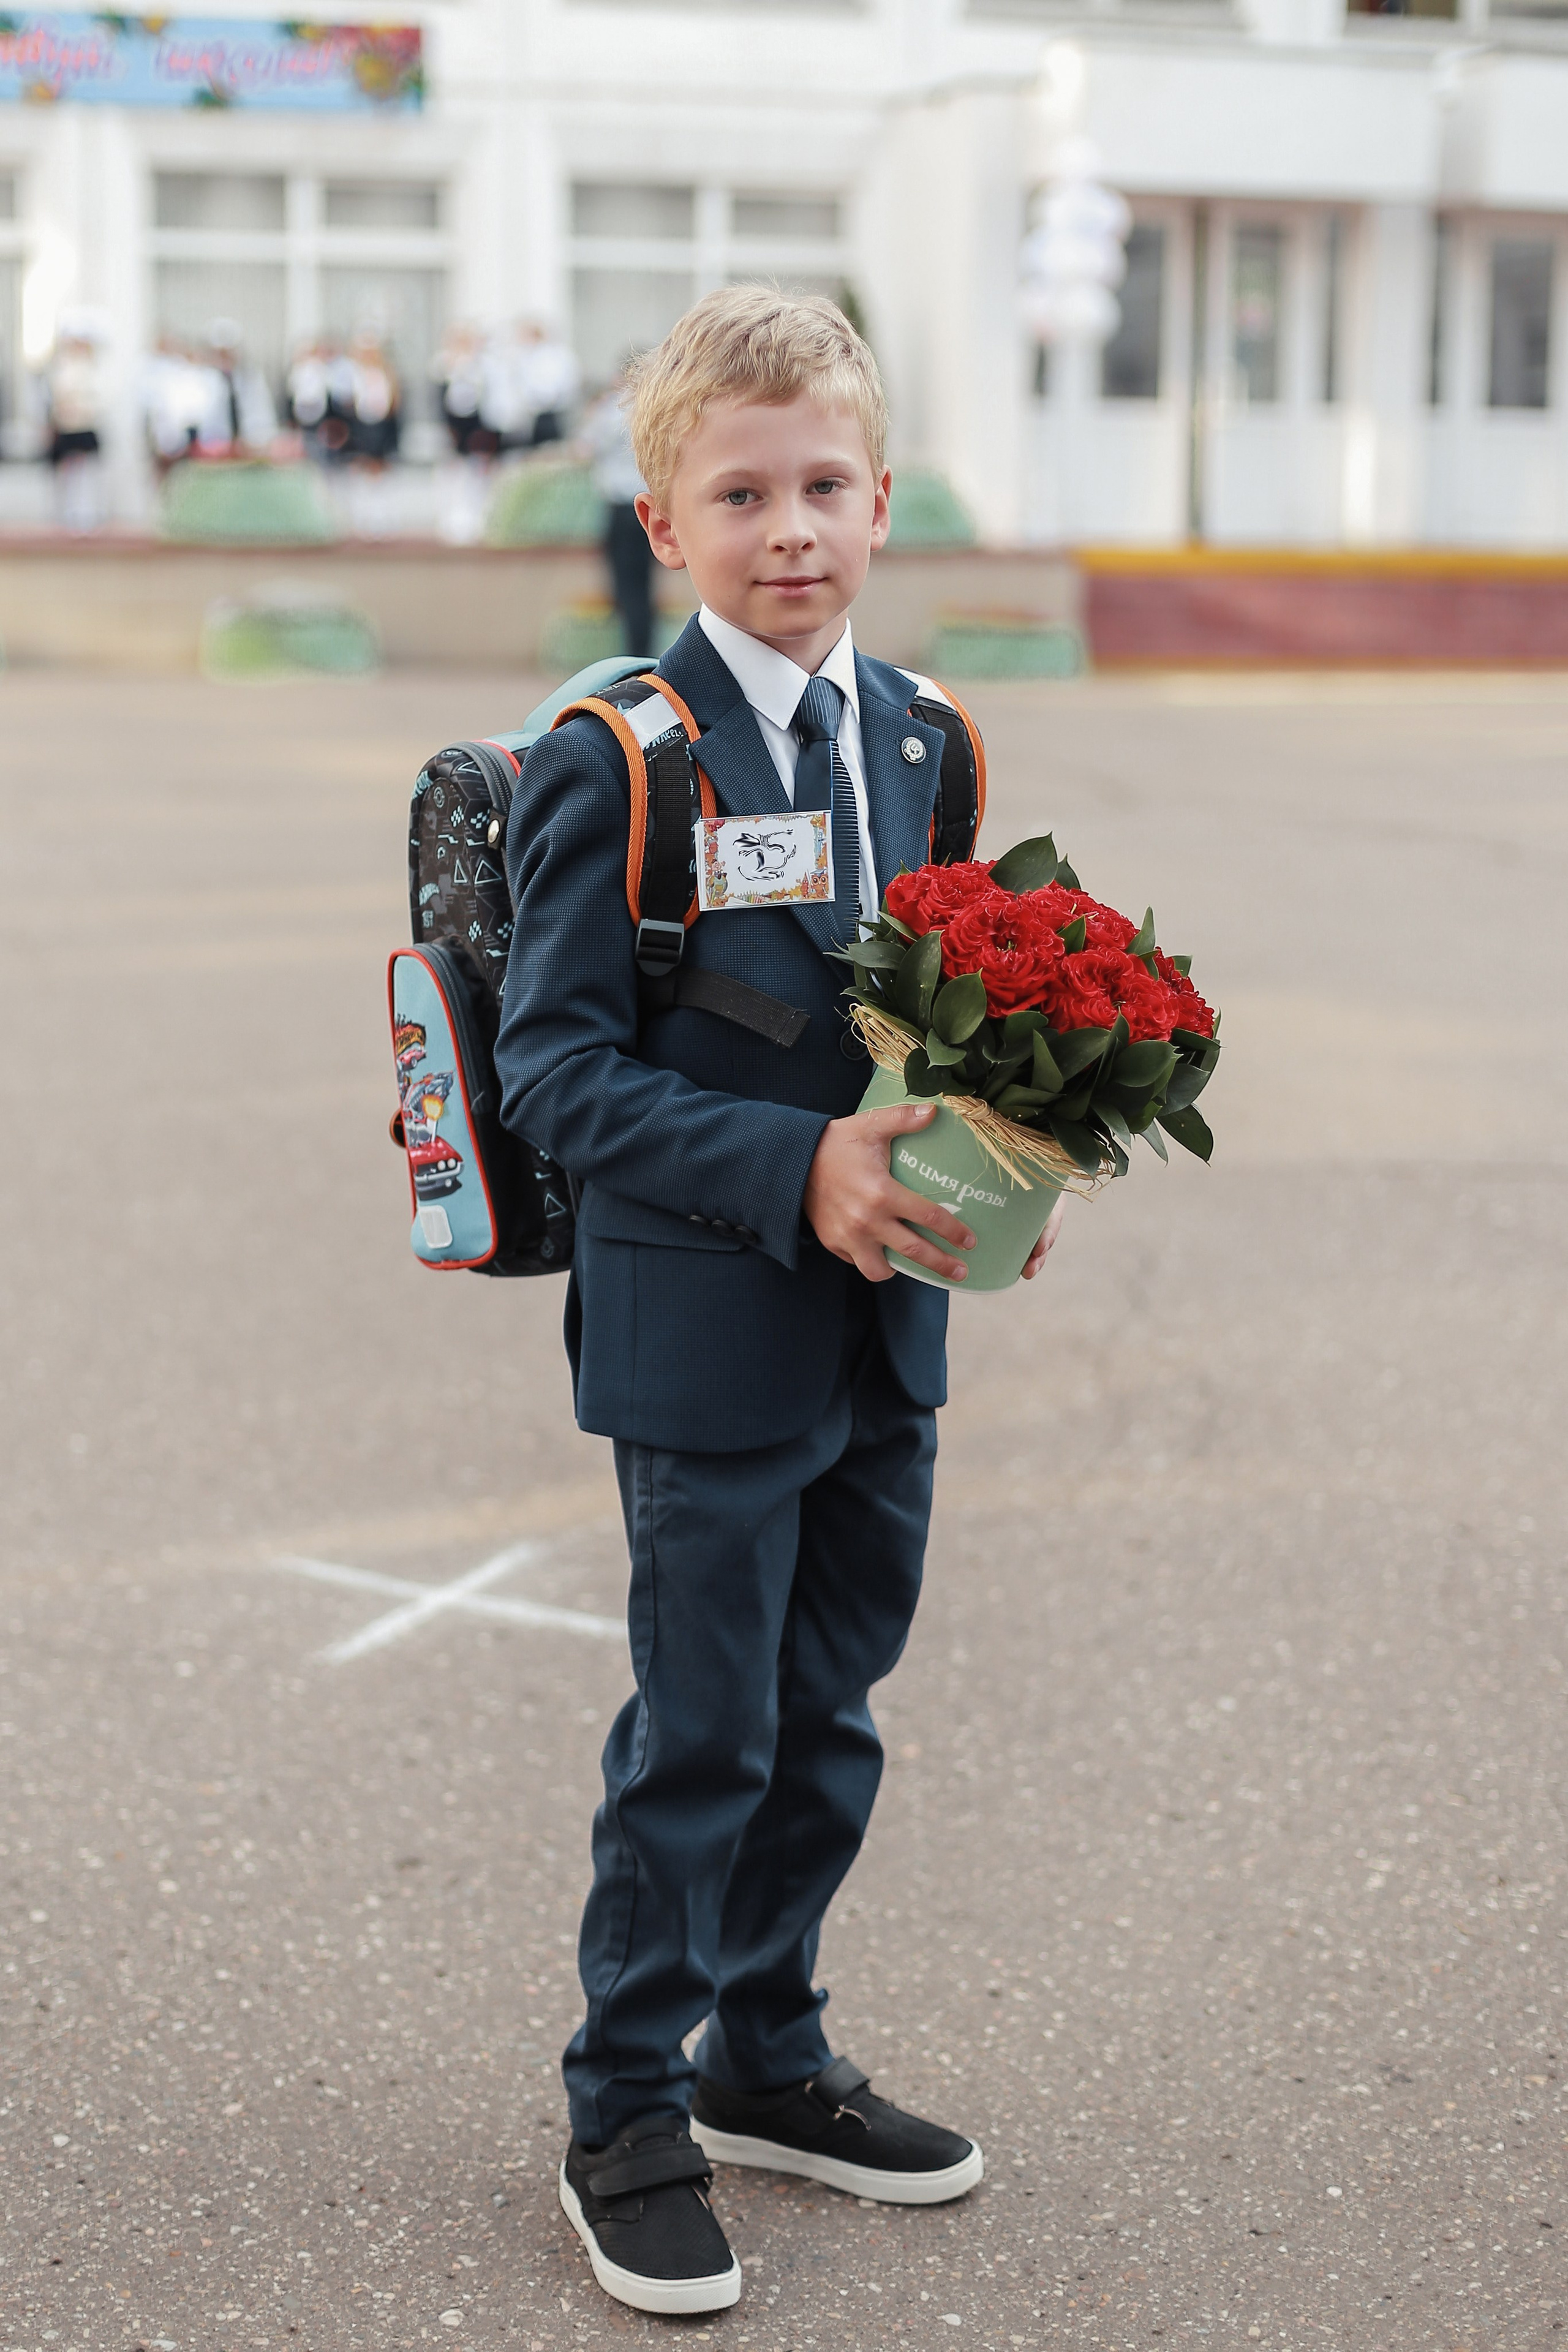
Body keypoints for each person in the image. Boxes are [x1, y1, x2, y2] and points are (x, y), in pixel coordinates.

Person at [494, 285, 1066, 2320]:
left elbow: (946, 1010)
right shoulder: (622, 759)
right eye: (742, 494)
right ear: (668, 525)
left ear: (884, 497)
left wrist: (1012, 1156)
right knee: (704, 1733)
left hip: (889, 1322)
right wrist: (787, 1167)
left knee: (826, 1717)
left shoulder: (927, 739)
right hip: (707, 1328)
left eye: (824, 484)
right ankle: (626, 2102)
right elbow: (553, 1071)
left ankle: (766, 2049)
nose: (790, 526)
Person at [581, 366, 654, 654]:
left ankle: (630, 653)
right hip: (648, 508)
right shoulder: (654, 410)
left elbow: (584, 449)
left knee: (624, 587)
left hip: (619, 507)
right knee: (644, 587)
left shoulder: (609, 410)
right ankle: (643, 650)